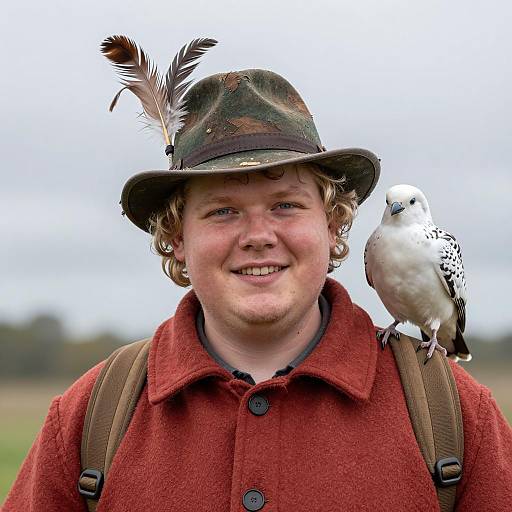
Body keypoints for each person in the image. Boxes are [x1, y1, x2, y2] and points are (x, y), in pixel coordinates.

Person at [3, 66, 512, 512]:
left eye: (286, 205)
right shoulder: (89, 417)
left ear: (334, 225)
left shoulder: (453, 412)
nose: (258, 237)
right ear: (177, 239)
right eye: (223, 211)